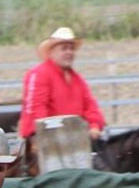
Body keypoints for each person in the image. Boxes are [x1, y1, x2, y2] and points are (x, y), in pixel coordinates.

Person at [18, 26, 106, 171]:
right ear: (52, 52)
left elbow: (90, 105)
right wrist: (44, 135)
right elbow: (37, 109)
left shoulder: (77, 79)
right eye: (64, 48)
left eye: (71, 48)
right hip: (47, 141)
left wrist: (95, 125)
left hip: (75, 139)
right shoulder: (39, 74)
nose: (69, 52)